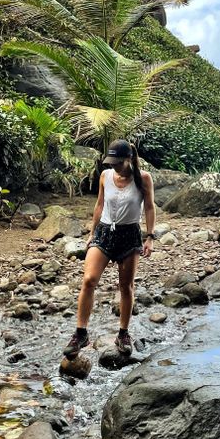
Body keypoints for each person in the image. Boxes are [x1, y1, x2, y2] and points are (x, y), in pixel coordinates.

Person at [64, 139, 155, 359]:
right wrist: (91, 233)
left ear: (128, 159)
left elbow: (150, 207)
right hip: (105, 232)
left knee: (126, 286)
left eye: (117, 162)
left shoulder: (143, 178)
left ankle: (123, 333)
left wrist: (150, 237)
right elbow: (100, 204)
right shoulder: (105, 176)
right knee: (89, 280)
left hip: (129, 234)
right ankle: (81, 333)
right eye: (111, 161)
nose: (113, 165)